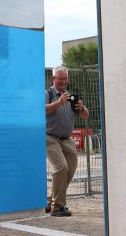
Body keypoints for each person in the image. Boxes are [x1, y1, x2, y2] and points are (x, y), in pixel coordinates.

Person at [45, 65, 89, 217]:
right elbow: (40, 110)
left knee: (70, 168)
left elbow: (86, 116)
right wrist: (58, 103)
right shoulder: (48, 93)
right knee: (61, 167)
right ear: (53, 79)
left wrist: (81, 107)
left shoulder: (70, 96)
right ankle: (57, 208)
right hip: (49, 137)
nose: (63, 82)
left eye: (65, 79)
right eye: (60, 79)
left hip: (67, 139)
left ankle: (50, 200)